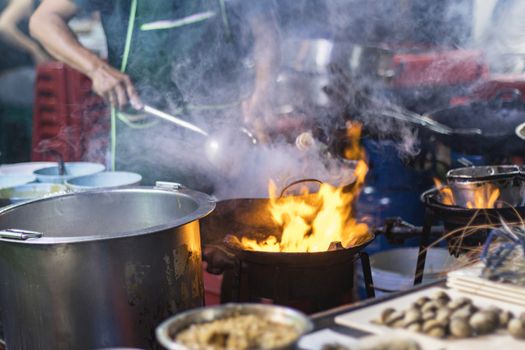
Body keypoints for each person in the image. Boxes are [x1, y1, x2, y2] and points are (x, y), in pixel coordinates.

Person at [29, 0, 279, 189]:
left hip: (227, 148)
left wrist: (263, 92)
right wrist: (96, 68)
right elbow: (43, 20)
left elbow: (266, 31)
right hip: (145, 160)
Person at [0, 0, 49, 163]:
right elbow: (4, 26)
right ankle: (44, 154)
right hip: (8, 79)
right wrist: (34, 49)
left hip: (13, 77)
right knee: (53, 87)